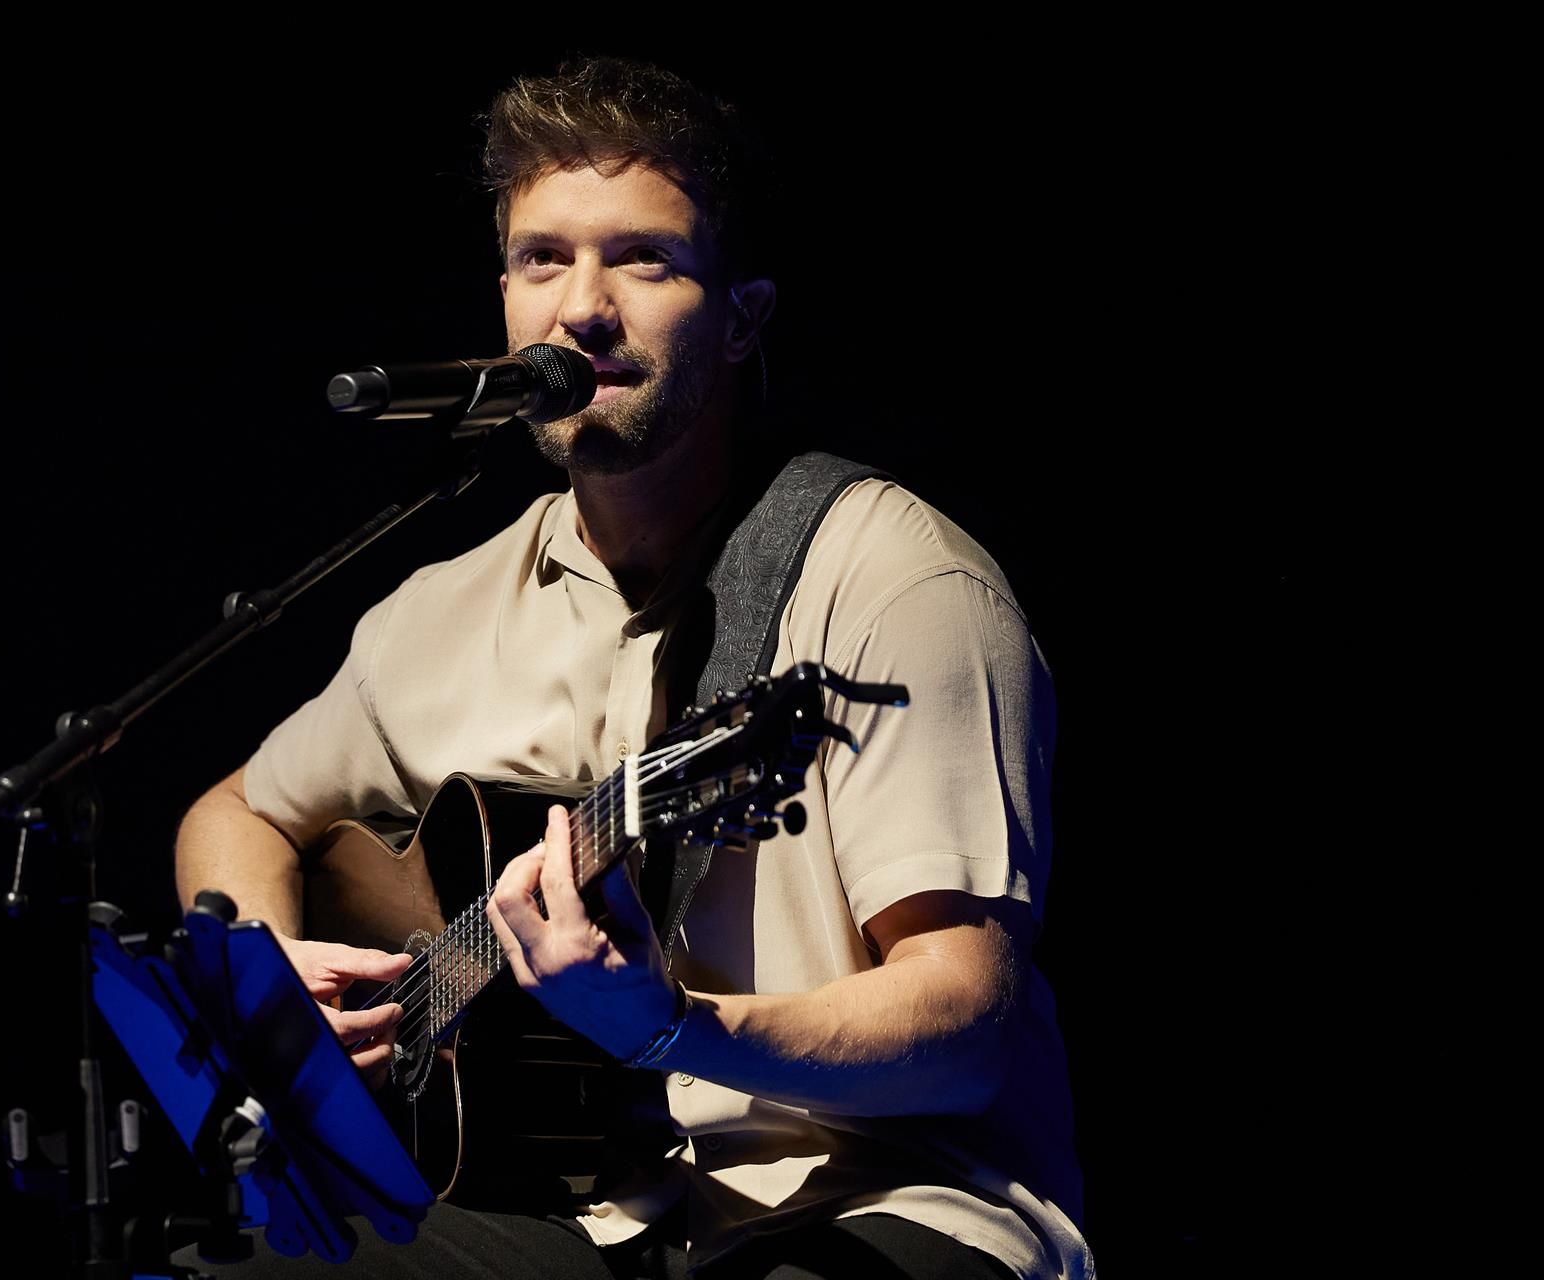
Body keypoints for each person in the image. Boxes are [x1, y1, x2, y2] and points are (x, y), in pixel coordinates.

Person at [173, 57, 1093, 1279]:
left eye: (643, 259)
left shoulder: (895, 583)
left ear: (745, 315)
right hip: (594, 1212)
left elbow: (962, 1022)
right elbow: (235, 811)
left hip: (884, 1200)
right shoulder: (441, 608)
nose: (582, 308)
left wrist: (670, 1024)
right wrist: (267, 968)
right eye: (541, 258)